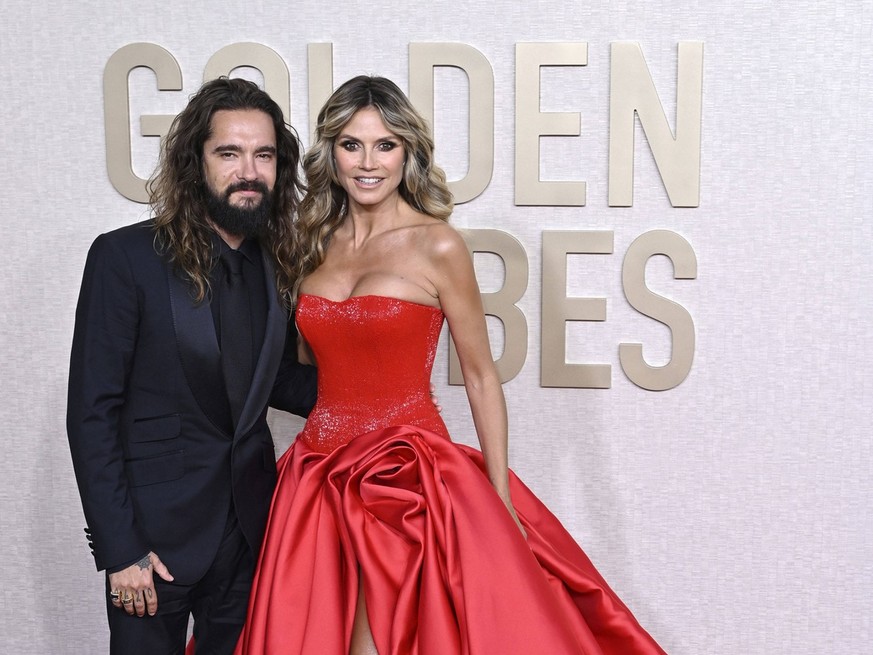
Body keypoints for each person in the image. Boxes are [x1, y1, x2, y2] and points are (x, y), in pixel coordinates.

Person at [234, 75, 667, 654]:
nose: (368, 162)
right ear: (330, 152)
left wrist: (499, 497)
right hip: (318, 477)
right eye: (352, 144)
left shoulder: (438, 245)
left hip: (405, 480)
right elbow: (313, 371)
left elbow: (482, 375)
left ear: (407, 153)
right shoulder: (309, 245)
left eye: (385, 145)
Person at [66, 77, 317, 654]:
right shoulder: (124, 257)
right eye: (228, 153)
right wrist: (120, 548)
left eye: (264, 155)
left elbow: (271, 381)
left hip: (250, 533)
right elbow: (91, 413)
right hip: (151, 546)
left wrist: (373, 393)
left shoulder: (277, 265)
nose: (248, 171)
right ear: (195, 162)